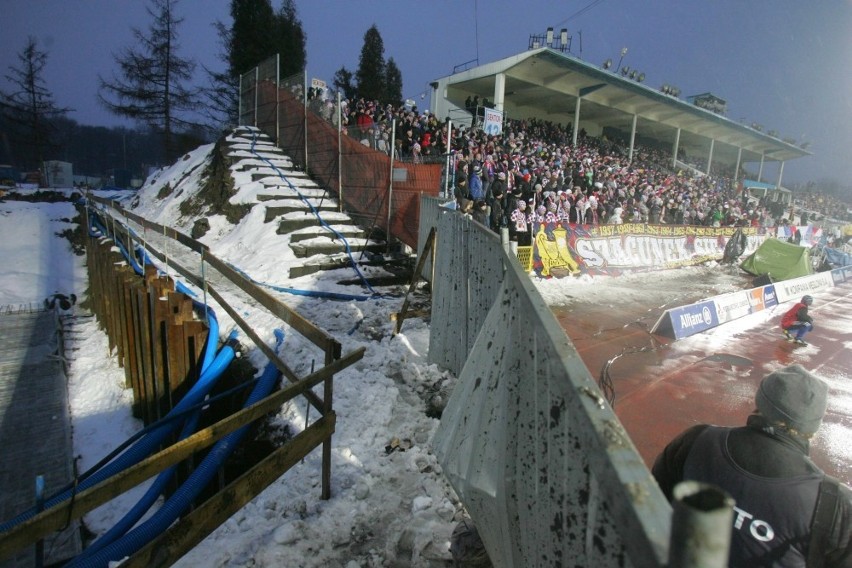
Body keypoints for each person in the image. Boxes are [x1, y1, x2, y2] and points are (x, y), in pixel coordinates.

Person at [652, 364, 852, 567]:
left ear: (760, 402)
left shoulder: (697, 439)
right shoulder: (835, 506)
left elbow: (652, 500)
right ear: (813, 428)